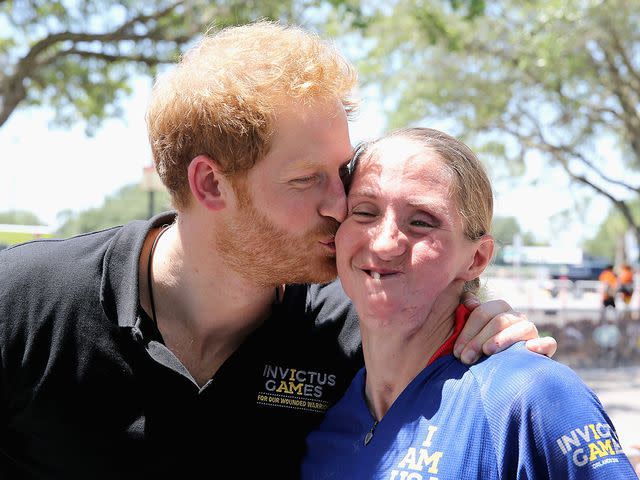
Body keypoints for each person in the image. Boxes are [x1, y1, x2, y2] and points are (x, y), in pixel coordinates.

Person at [0, 23, 555, 479]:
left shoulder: (353, 329)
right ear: (210, 185)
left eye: (340, 173)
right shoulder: (23, 304)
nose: (341, 205)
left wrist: (490, 323)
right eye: (307, 179)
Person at [302, 128, 636, 479]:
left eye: (420, 222)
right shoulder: (328, 413)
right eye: (365, 212)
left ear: (477, 258)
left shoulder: (530, 395)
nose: (385, 244)